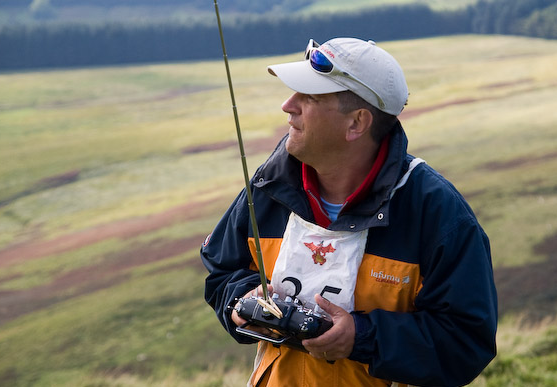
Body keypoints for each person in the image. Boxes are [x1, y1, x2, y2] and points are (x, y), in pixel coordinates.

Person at [201, 37, 497, 387]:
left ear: (357, 123)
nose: (287, 105)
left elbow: (465, 344)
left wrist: (361, 337)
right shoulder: (268, 187)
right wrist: (242, 300)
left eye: (308, 97)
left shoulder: (437, 212)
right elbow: (221, 273)